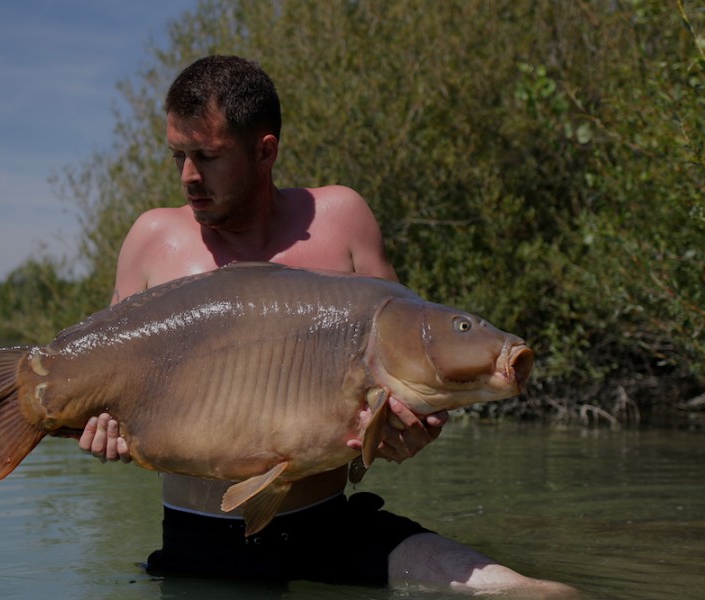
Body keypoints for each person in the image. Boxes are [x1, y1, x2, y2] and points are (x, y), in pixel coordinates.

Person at [79, 55, 577, 597]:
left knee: (530, 591)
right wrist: (102, 431)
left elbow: (406, 372)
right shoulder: (154, 239)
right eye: (178, 155)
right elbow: (106, 387)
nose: (188, 177)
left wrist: (412, 433)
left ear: (264, 151)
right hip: (200, 546)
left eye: (208, 156)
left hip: (332, 527)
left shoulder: (342, 218)